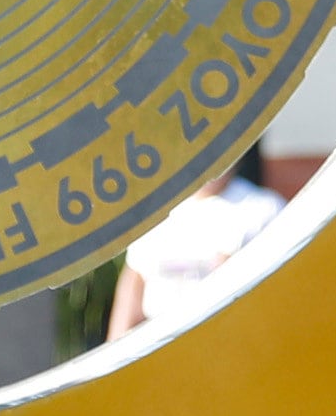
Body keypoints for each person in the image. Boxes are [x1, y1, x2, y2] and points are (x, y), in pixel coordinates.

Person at [104, 147, 287, 346]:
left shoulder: (264, 208)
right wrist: (114, 351)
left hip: (232, 344)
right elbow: (133, 285)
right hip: (160, 348)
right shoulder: (156, 213)